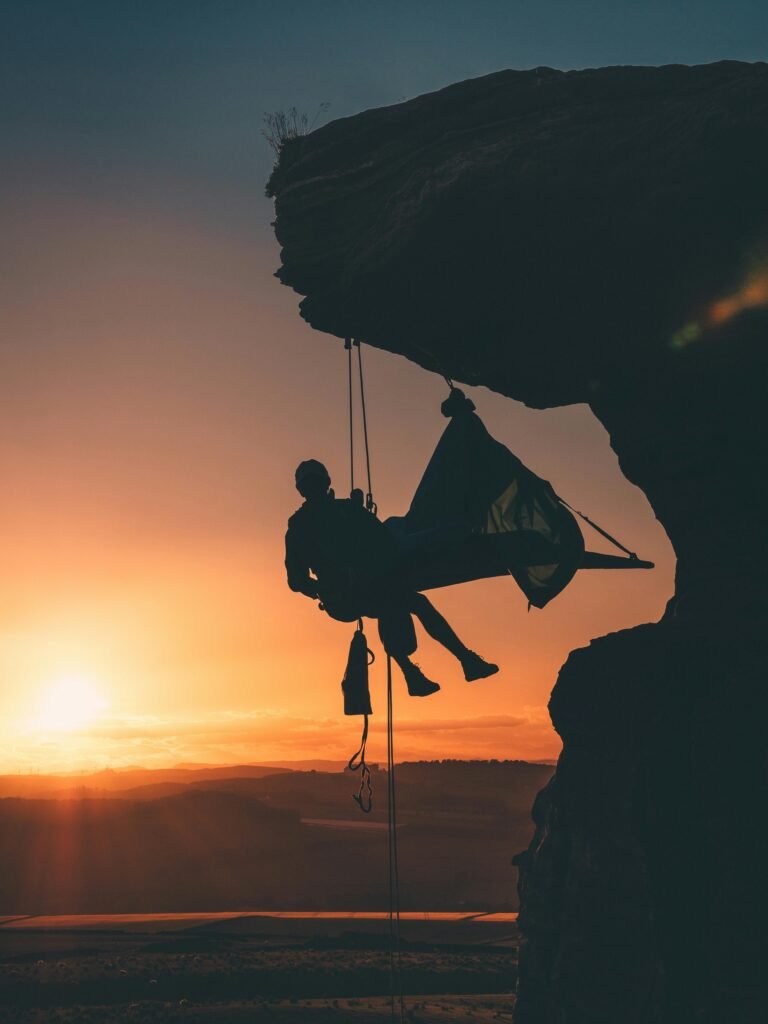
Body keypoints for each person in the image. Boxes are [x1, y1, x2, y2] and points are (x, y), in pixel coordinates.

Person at [285, 459, 499, 697]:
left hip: (352, 592)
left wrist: (325, 587)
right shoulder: (329, 516)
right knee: (408, 603)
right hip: (348, 594)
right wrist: (328, 587)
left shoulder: (309, 522)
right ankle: (457, 662)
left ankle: (428, 671)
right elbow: (380, 540)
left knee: (399, 604)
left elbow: (297, 579)